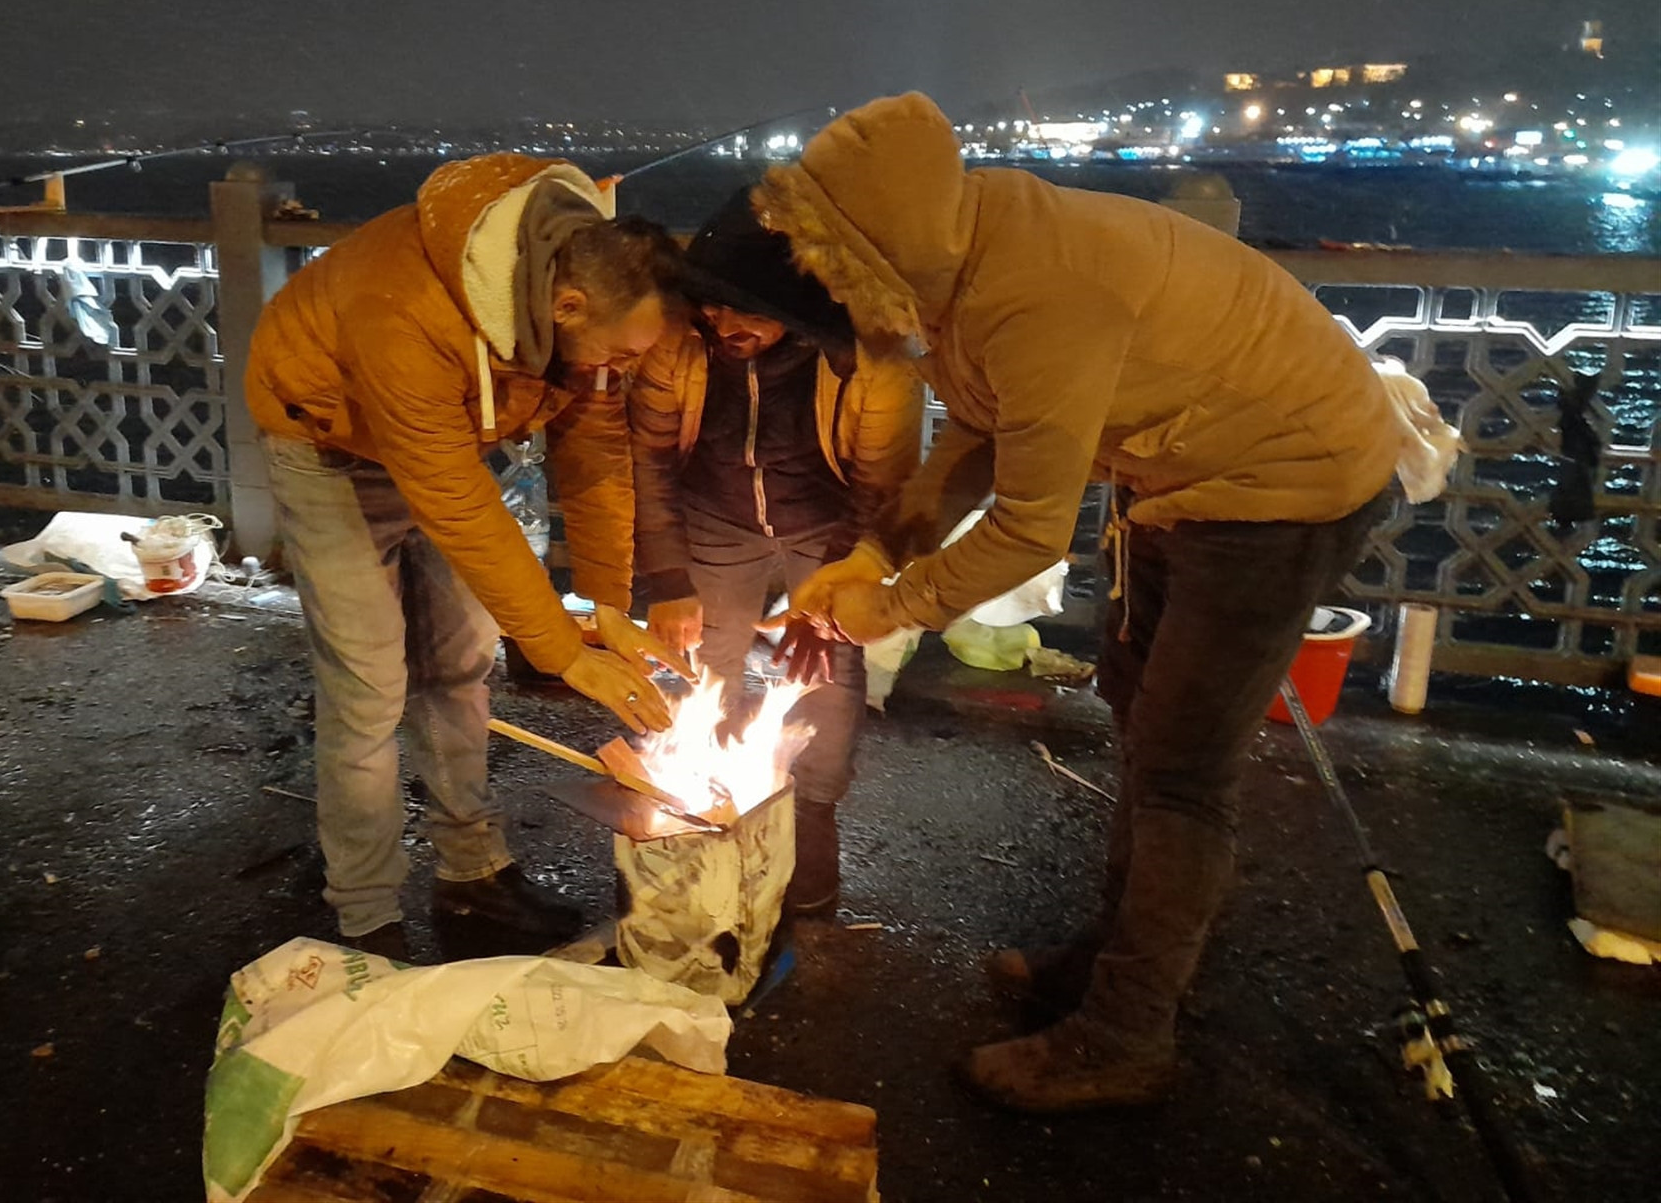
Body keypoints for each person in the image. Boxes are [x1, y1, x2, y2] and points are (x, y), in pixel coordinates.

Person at [758, 94, 1405, 1111]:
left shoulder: (1037, 289)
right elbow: (976, 438)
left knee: (1184, 770)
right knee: (1138, 718)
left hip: (1285, 486)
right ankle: (1116, 960)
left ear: (876, 250)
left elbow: (1029, 529)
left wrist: (888, 606)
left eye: (832, 269)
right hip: (1183, 480)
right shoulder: (966, 261)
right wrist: (873, 551)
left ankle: (1125, 1034)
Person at [246, 156, 690, 961]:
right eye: (616, 357)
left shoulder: (570, 312)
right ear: (567, 304)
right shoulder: (406, 308)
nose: (617, 375)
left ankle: (472, 869)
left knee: (460, 662)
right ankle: (367, 912)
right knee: (371, 686)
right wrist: (560, 651)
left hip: (449, 441)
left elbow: (593, 453)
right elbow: (453, 499)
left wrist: (607, 605)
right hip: (330, 443)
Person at [629, 189, 923, 913]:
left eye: (749, 311)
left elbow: (880, 488)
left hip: (828, 526)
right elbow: (650, 458)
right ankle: (697, 811)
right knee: (702, 663)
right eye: (713, 305)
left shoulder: (873, 360)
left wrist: (828, 595)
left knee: (826, 667)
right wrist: (667, 576)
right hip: (713, 516)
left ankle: (810, 821)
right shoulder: (678, 337)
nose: (724, 324)